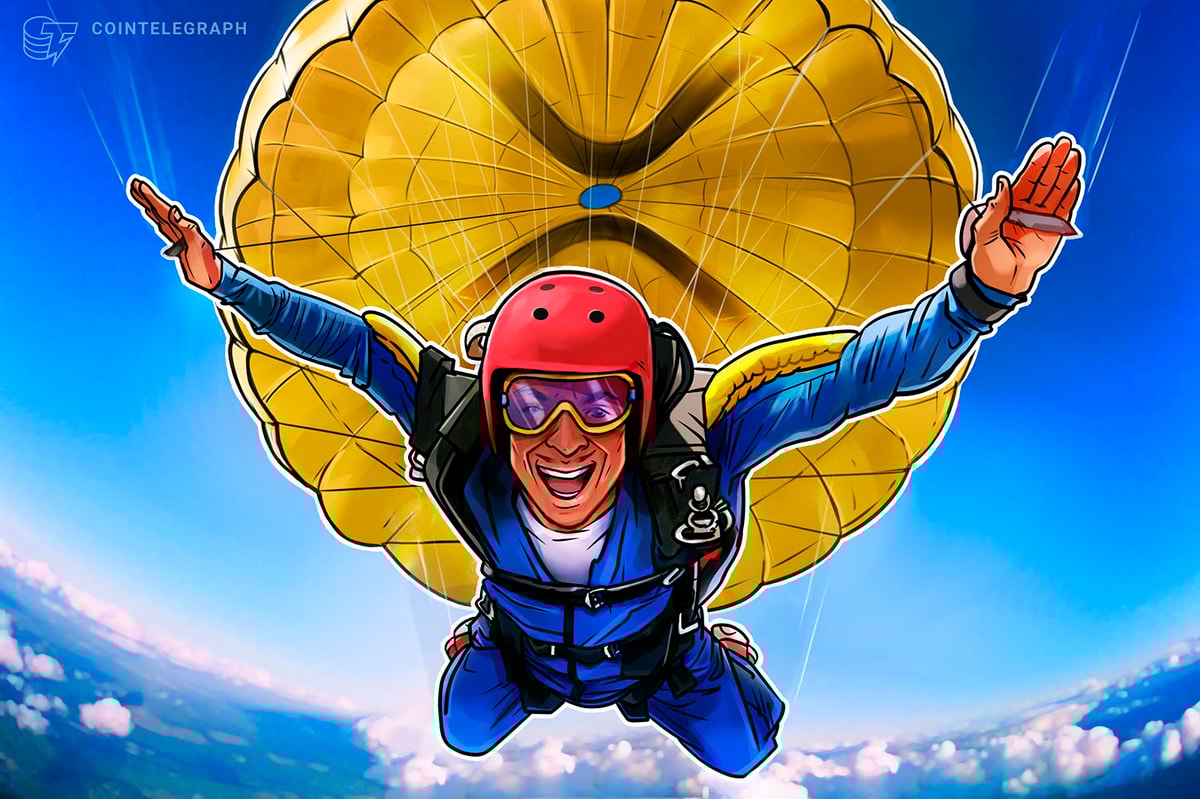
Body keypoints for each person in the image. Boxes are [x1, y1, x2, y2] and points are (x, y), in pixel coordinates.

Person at [129, 135, 1083, 777]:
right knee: (464, 728)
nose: (564, 438)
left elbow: (857, 378)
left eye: (598, 402)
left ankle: (712, 651)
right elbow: (345, 343)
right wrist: (228, 283)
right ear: (494, 408)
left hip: (660, 655)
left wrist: (977, 295)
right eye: (530, 403)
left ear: (640, 406)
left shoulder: (698, 444)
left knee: (747, 749)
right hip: (521, 647)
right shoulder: (460, 434)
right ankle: (489, 640)